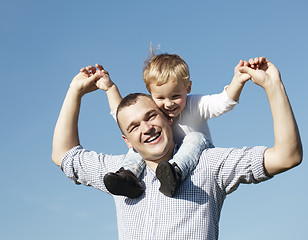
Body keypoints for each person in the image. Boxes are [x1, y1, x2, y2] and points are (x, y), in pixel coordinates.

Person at [51, 57, 302, 239]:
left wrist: (273, 85)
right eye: (134, 127)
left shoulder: (208, 165)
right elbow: (63, 154)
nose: (146, 128)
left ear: (167, 118)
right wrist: (75, 91)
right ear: (126, 140)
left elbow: (287, 156)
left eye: (151, 116)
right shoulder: (117, 175)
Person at [87, 53, 251, 198]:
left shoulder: (195, 105)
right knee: (137, 145)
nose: (168, 104)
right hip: (167, 159)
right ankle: (129, 177)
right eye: (161, 98)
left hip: (198, 154)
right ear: (150, 92)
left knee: (194, 137)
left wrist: (238, 81)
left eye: (175, 96)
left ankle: (175, 173)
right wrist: (109, 88)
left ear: (188, 88)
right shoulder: (153, 110)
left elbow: (223, 102)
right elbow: (123, 114)